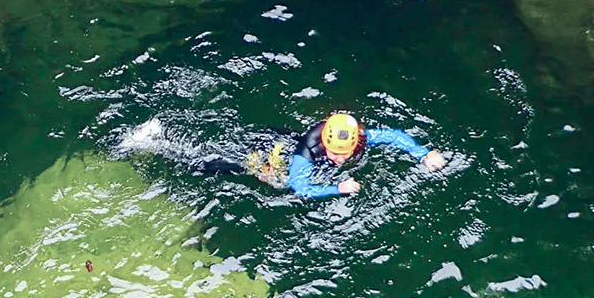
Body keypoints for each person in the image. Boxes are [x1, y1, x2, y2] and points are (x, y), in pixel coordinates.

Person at [188, 112, 446, 198]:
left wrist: (423, 155)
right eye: (335, 153)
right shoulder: (308, 151)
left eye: (346, 153)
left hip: (287, 141)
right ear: (325, 142)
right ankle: (186, 158)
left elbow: (394, 135)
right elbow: (299, 187)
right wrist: (338, 188)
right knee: (249, 168)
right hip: (280, 152)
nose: (341, 159)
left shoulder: (357, 136)